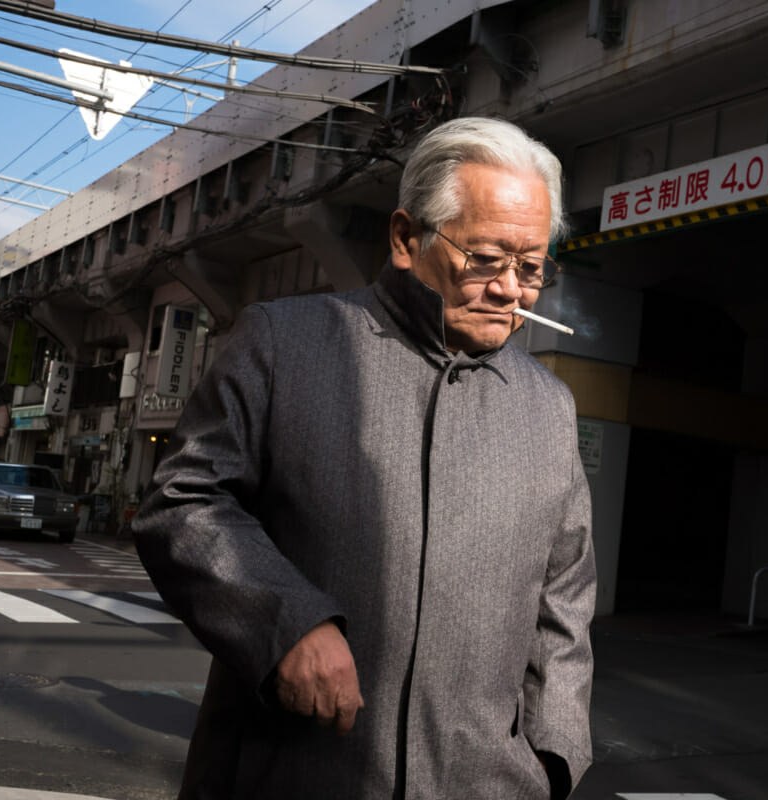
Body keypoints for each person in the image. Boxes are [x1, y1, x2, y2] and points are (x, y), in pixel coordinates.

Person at [133, 116, 596, 800]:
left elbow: (565, 600)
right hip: (289, 775)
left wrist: (552, 760)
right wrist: (285, 621)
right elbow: (184, 501)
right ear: (407, 239)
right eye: (485, 259)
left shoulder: (548, 406)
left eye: (530, 268)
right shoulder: (284, 344)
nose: (509, 290)